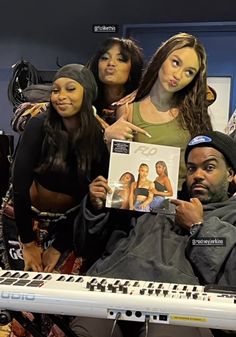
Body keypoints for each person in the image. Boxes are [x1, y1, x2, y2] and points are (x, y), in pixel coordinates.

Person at [70, 130, 236, 337]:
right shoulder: (158, 202)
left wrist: (198, 226)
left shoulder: (232, 214)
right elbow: (88, 246)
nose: (198, 175)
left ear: (231, 173)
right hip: (116, 289)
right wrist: (95, 209)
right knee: (87, 330)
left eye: (209, 167)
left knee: (164, 329)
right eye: (191, 168)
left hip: (179, 304)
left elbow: (230, 269)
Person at [11, 63, 109, 273]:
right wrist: (28, 243)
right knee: (21, 291)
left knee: (57, 293)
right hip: (26, 218)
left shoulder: (97, 137)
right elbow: (19, 186)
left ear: (87, 93)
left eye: (70, 89)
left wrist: (59, 246)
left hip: (67, 225)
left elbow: (92, 199)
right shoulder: (38, 125)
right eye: (55, 90)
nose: (60, 96)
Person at [103, 33, 213, 192]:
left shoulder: (195, 113)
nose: (178, 75)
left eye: (189, 72)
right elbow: (123, 168)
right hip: (145, 206)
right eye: (175, 63)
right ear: (162, 58)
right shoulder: (129, 109)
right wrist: (109, 141)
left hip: (187, 202)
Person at [87, 37, 144, 125]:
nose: (111, 63)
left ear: (132, 69)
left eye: (120, 59)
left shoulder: (141, 104)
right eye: (105, 58)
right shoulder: (86, 100)